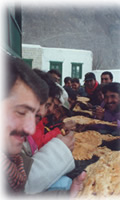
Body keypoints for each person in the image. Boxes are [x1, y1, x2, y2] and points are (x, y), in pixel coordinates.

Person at [1, 54, 87, 197]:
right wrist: (59, 145)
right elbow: (30, 183)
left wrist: (67, 195)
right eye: (21, 112)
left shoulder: (12, 168)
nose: (31, 129)